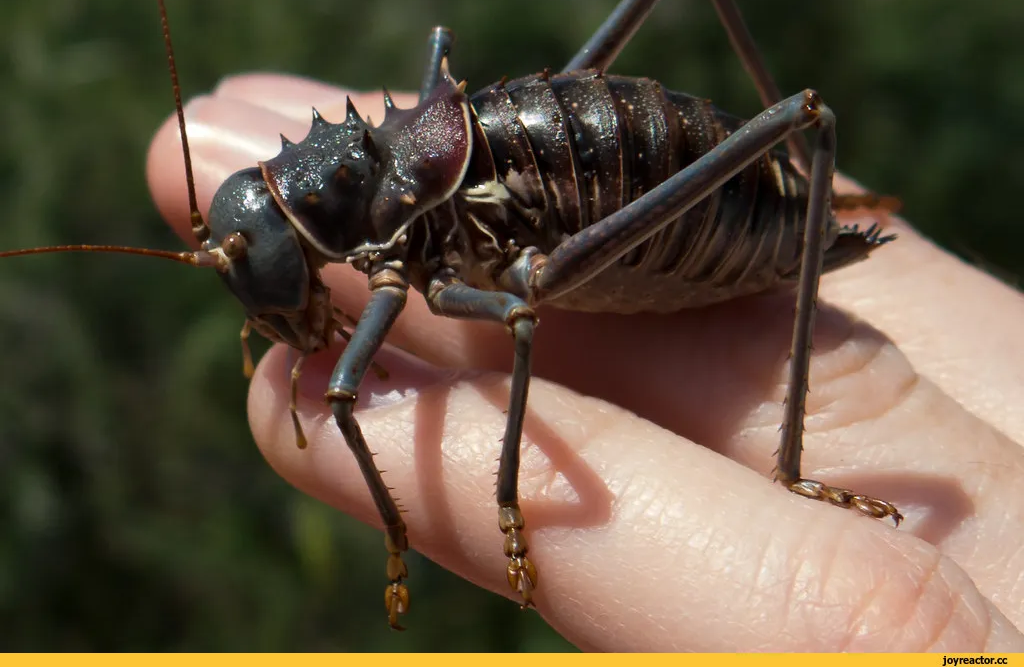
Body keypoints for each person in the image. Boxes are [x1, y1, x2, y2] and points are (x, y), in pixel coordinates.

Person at [147, 75, 1024, 652]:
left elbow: (477, 338)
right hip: (565, 169)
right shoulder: (380, 196)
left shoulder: (409, 232)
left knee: (362, 388)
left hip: (680, 212)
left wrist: (488, 513)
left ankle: (794, 467)